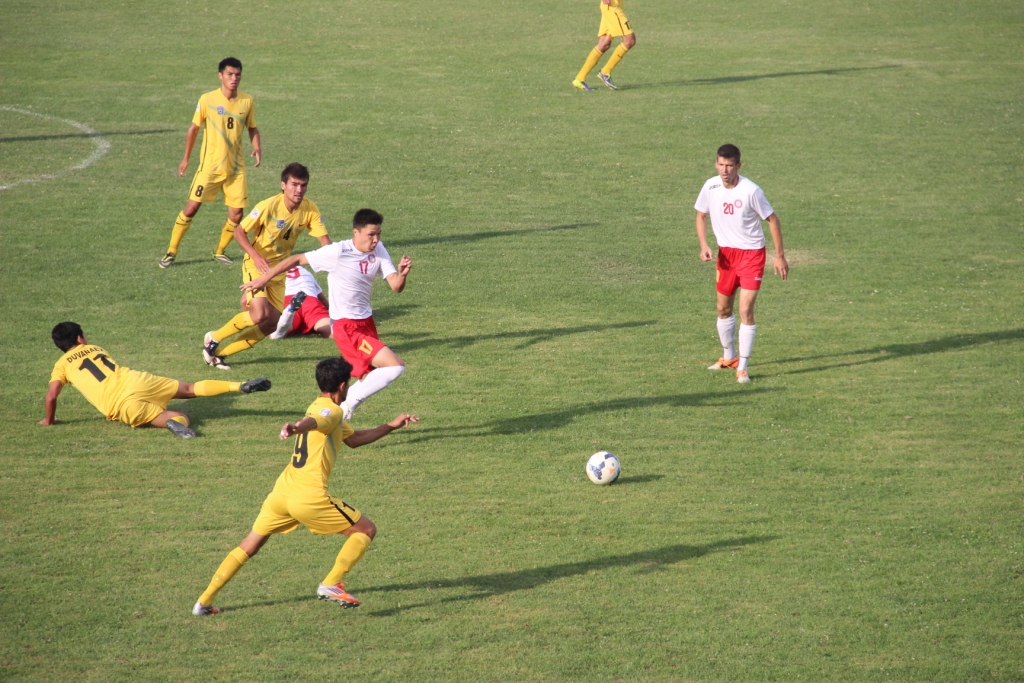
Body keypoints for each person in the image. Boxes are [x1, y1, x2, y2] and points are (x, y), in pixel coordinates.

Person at [192, 357, 418, 615]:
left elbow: (354, 439)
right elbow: (316, 421)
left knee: (249, 545)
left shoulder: (319, 406)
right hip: (308, 497)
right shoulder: (331, 411)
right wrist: (297, 427)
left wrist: (391, 425)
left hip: (281, 493)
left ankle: (203, 602)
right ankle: (331, 583)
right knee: (365, 529)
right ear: (342, 386)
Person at [242, 209, 411, 420]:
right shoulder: (337, 252)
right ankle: (346, 407)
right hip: (346, 327)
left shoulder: (379, 249)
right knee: (395, 366)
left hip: (367, 323)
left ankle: (332, 415)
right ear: (356, 232)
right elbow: (296, 259)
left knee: (368, 376)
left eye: (378, 234)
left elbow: (396, 286)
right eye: (371, 234)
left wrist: (402, 274)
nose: (376, 239)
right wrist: (263, 279)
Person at [41, 322, 271, 438]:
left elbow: (51, 397)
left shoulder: (61, 365)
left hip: (121, 405)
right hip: (137, 380)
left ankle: (173, 423)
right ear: (80, 338)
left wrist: (49, 421)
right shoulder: (95, 348)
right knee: (190, 389)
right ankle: (238, 385)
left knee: (180, 417)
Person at [202, 163, 331, 369]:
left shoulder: (309, 209)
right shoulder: (268, 206)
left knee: (272, 323)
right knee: (259, 314)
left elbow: (325, 242)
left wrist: (336, 261)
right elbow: (239, 231)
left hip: (280, 271)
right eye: (294, 184)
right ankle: (214, 337)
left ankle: (220, 355)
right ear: (283, 185)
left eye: (303, 185)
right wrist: (255, 256)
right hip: (256, 265)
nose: (299, 190)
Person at [695, 144, 788, 383]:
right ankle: (729, 358)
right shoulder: (710, 186)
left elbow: (773, 220)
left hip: (751, 256)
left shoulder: (751, 191)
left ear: (738, 166)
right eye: (721, 165)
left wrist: (779, 256)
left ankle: (743, 367)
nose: (724, 170)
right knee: (723, 309)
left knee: (746, 309)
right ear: (716, 164)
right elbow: (701, 215)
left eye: (729, 165)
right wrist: (704, 245)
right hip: (726, 256)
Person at [159, 57, 262, 268]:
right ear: (220, 76)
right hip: (210, 168)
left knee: (237, 214)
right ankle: (171, 251)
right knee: (191, 208)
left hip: (235, 169)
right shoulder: (207, 99)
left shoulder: (247, 101)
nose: (234, 78)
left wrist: (257, 147)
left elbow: (252, 127)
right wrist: (186, 159)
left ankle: (219, 251)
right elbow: (194, 129)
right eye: (230, 74)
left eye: (238, 74)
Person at [572, 0, 637, 92]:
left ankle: (579, 78)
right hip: (612, 6)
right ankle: (605, 72)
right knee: (630, 40)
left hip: (612, 6)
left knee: (604, 44)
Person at [269, 266, 333, 340]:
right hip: (309, 298)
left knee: (276, 333)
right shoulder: (305, 271)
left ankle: (289, 313)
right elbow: (322, 299)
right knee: (329, 329)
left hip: (287, 299)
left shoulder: (272, 271)